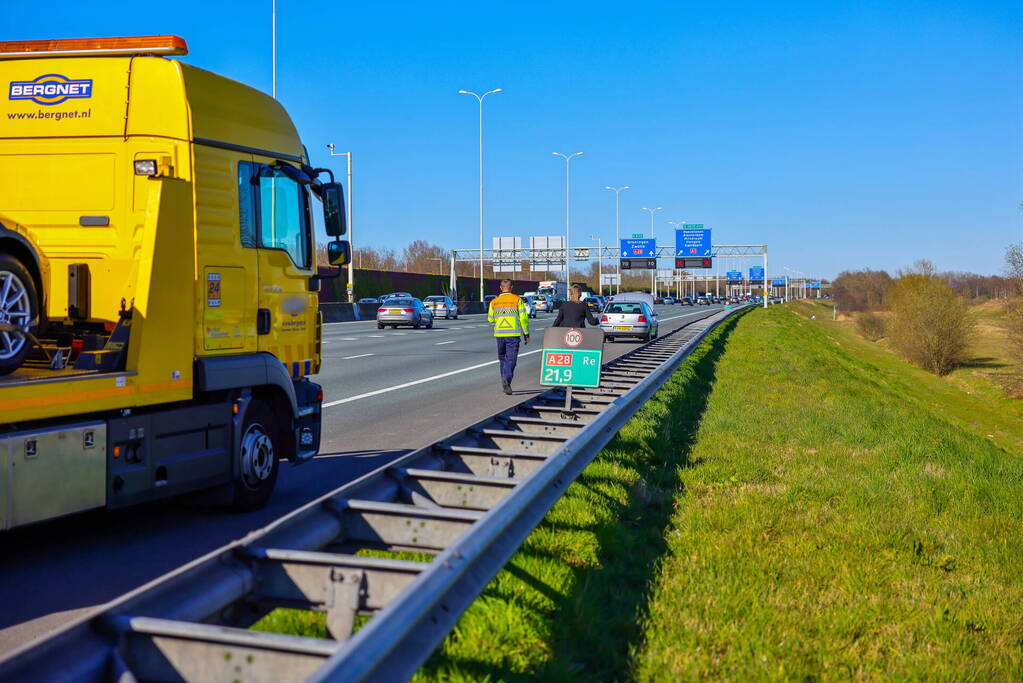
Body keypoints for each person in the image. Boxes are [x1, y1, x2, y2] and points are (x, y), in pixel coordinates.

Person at [487, 279, 530, 395]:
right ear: (511, 288)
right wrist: (526, 333)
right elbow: (523, 318)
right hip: (513, 334)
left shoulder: (494, 302)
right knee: (511, 359)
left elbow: (490, 319)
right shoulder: (517, 300)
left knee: (503, 359)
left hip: (499, 334)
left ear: (501, 288)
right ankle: (507, 379)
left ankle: (504, 383)